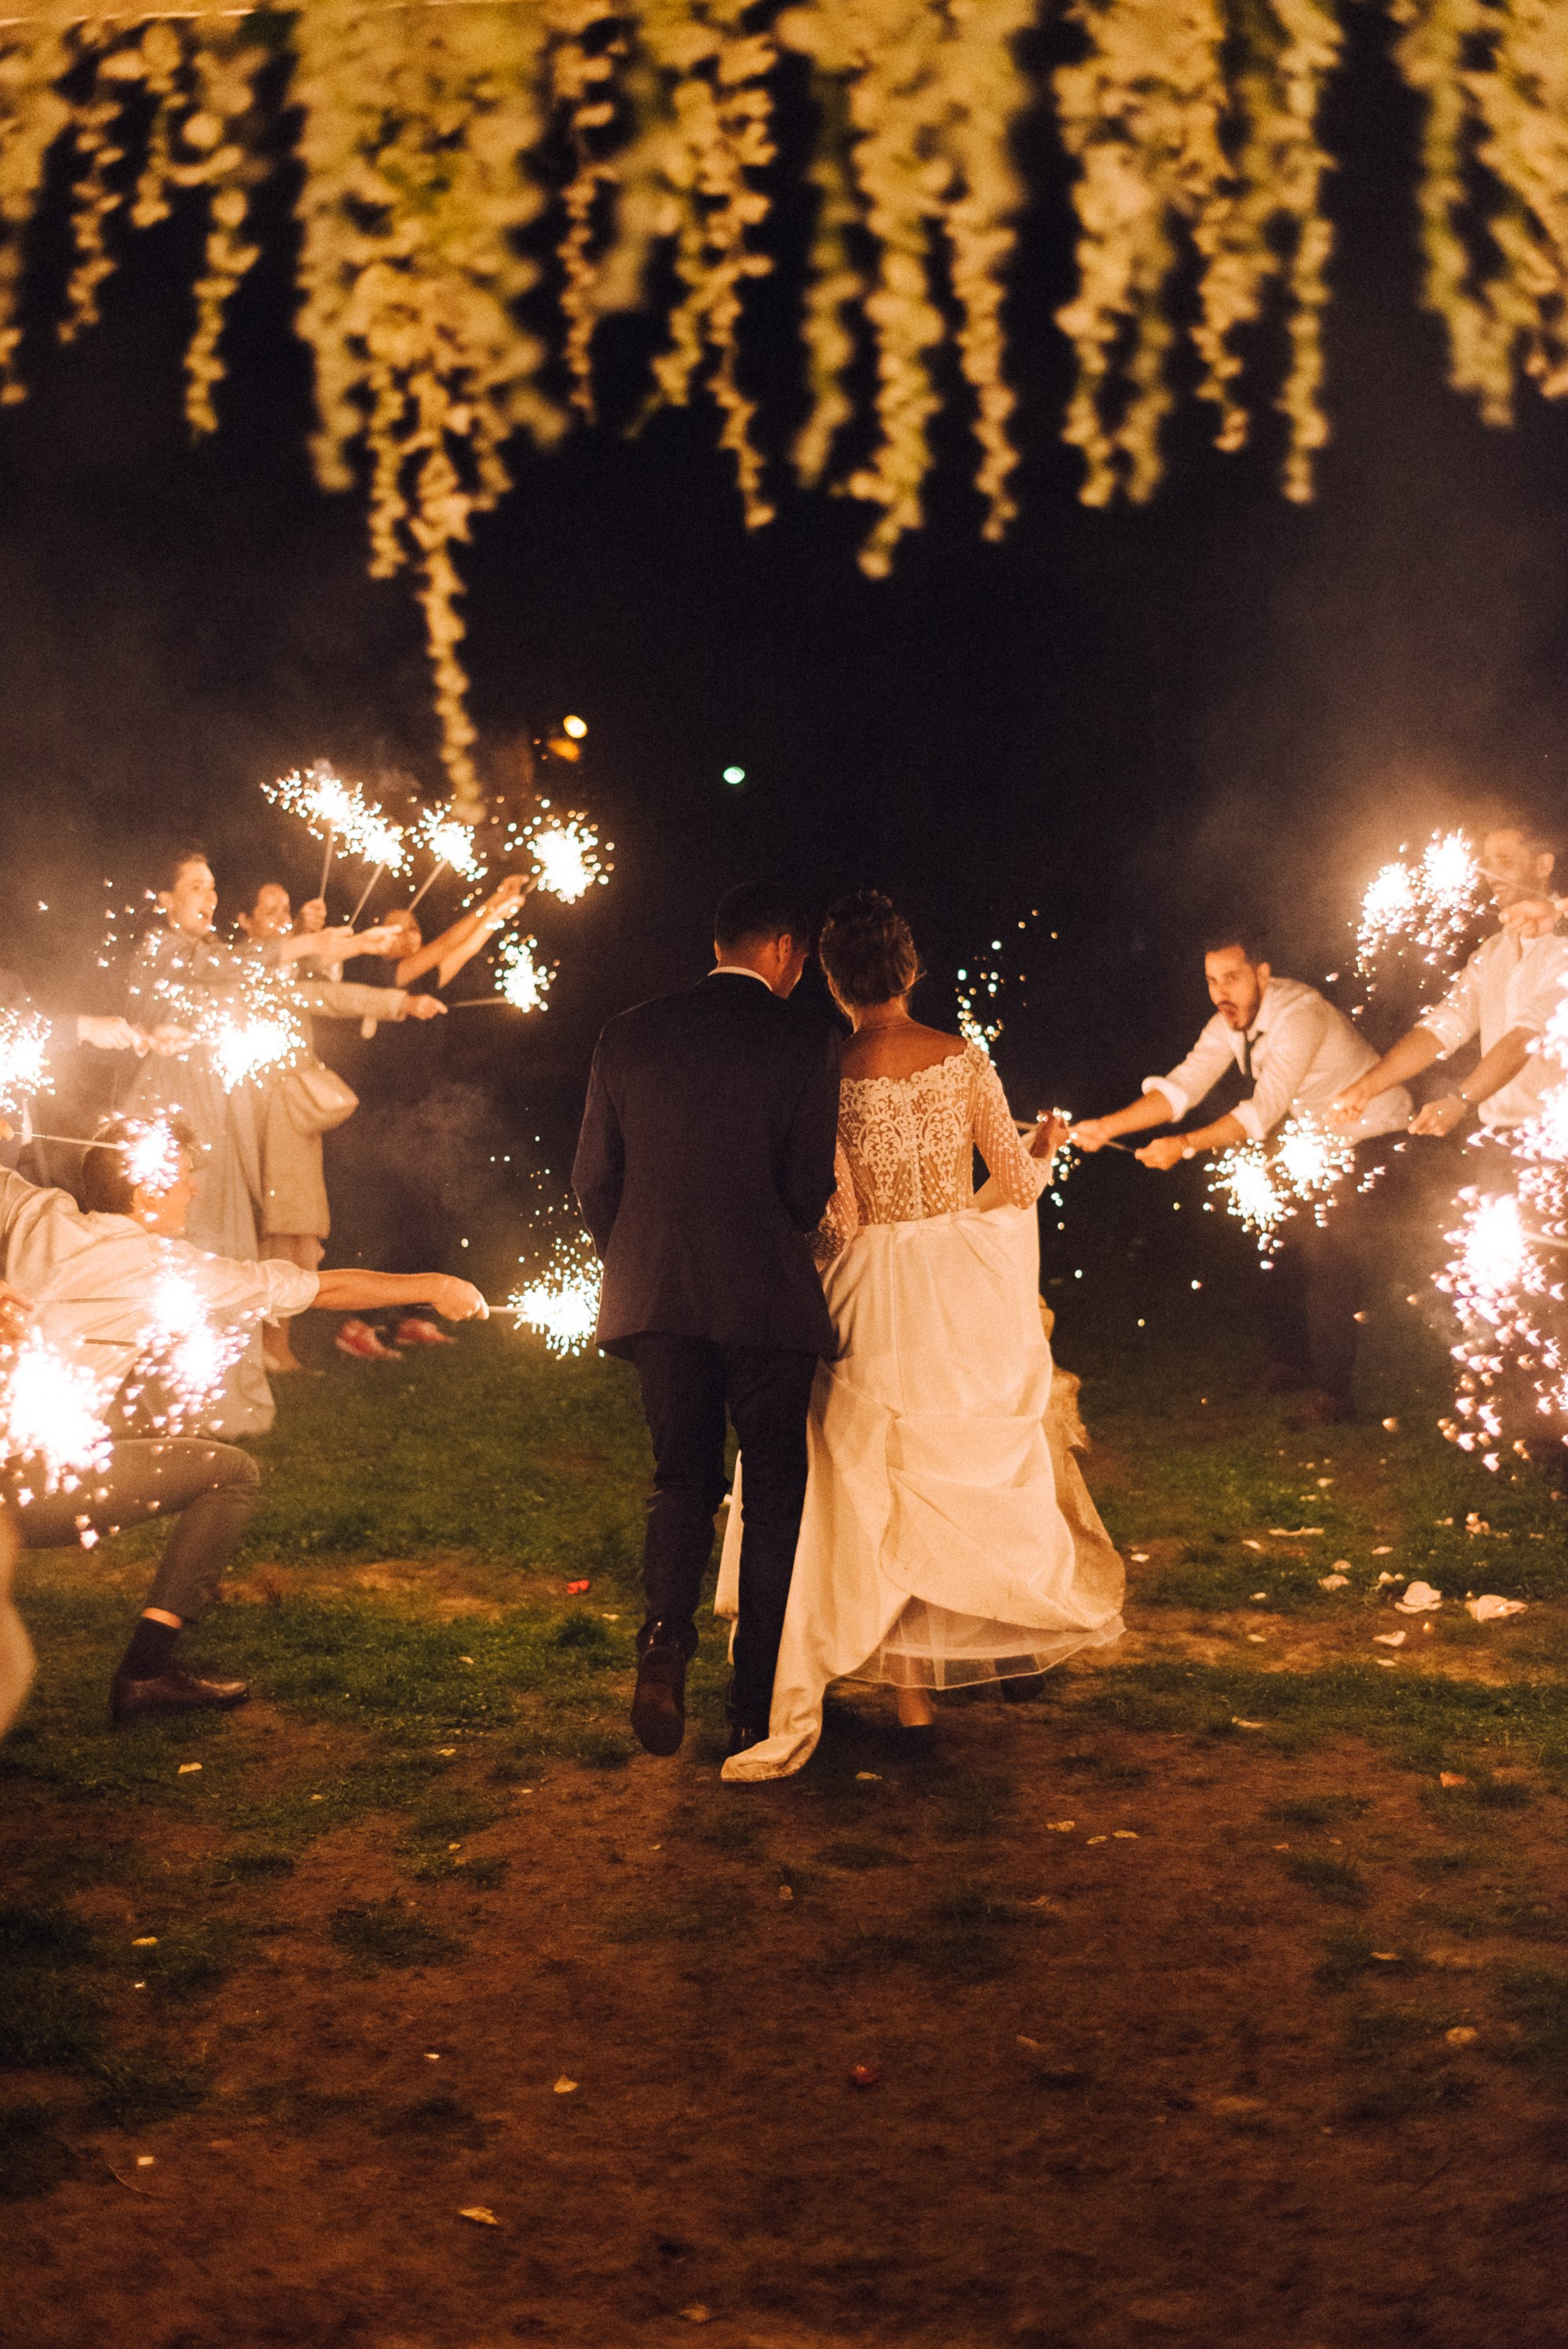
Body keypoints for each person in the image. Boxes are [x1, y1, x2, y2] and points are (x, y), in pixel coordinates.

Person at [717, 891, 1124, 1784]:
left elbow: (838, 1218)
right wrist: (1045, 1147)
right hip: (954, 1283)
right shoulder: (963, 1058)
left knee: (872, 1477)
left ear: (834, 982)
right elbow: (1016, 1183)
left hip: (867, 1286)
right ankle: (999, 1627)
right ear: (910, 971)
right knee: (958, 1457)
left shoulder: (827, 1072)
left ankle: (911, 1701)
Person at [0, 1114, 487, 1727]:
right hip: (29, 1486)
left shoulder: (38, 1212)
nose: (193, 1188)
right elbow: (320, 1289)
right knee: (229, 1474)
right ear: (148, 1187)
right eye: (183, 1176)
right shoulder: (164, 1268)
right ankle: (145, 1674)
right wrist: (435, 1284)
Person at [572, 880, 840, 1759]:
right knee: (772, 1489)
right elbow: (805, 1191)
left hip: (658, 1296)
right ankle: (753, 1702)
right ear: (783, 949)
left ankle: (663, 1642)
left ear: (719, 943)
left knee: (680, 1475)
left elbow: (592, 1179)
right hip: (764, 1297)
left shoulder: (627, 1031)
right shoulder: (806, 1037)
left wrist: (638, 1257)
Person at [1072, 928, 1413, 1421]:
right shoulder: (1226, 1024)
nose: (1221, 993)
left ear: (1263, 975)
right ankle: (1289, 1363)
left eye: (1232, 978)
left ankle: (1334, 1396)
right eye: (1212, 981)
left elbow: (1262, 1111)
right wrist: (1107, 1126)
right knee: (1276, 1241)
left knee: (1328, 1256)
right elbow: (1181, 1089)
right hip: (1319, 1139)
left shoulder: (1301, 1015)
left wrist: (1184, 1145)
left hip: (1377, 1132)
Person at [238, 880, 448, 1372]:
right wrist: (389, 990)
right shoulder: (243, 970)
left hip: (290, 1112)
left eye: (286, 910)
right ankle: (264, 1349)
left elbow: (327, 993)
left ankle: (276, 1347)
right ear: (244, 922)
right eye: (269, 911)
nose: (281, 919)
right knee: (274, 1226)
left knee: (291, 1229)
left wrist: (400, 1004)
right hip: (260, 1113)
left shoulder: (279, 968)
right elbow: (327, 995)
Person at [1330, 821, 1568, 1149]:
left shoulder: (1564, 947)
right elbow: (1444, 1025)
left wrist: (1460, 1100)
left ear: (1543, 865)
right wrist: (1367, 1087)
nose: (1491, 874)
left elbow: (1526, 1036)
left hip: (1558, 1134)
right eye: (1487, 862)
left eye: (1504, 861)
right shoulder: (1492, 953)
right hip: (1501, 1136)